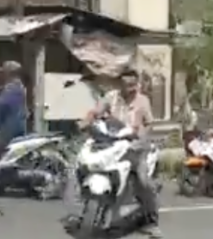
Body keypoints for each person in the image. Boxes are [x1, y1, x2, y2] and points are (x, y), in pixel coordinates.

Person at [65, 69, 160, 238]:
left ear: (137, 84)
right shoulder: (111, 97)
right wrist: (84, 123)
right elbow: (95, 112)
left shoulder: (143, 101)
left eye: (132, 84)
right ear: (119, 84)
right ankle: (81, 206)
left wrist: (141, 137)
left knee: (142, 179)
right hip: (110, 141)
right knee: (81, 163)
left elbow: (149, 124)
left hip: (135, 146)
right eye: (125, 84)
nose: (129, 88)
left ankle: (152, 221)